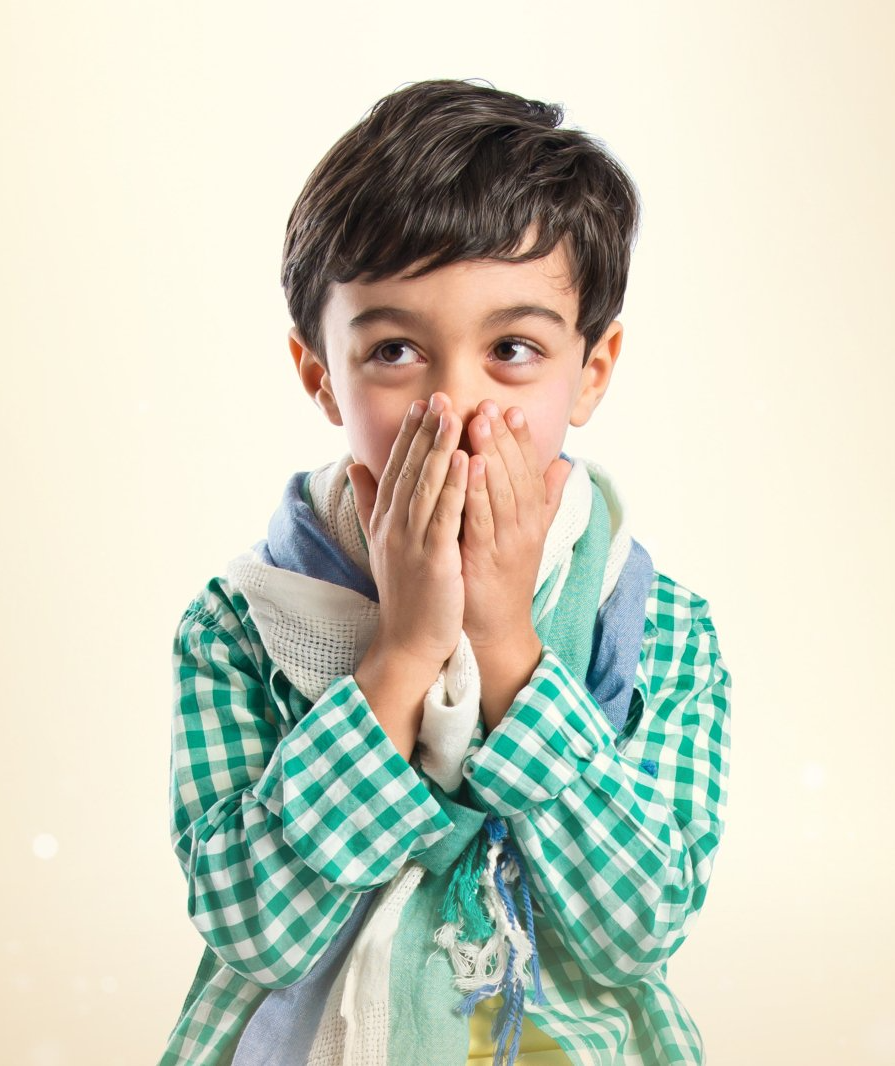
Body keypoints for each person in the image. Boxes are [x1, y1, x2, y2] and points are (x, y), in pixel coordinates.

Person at [159, 78, 732, 1066]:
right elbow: (250, 928)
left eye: (511, 349)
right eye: (393, 351)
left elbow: (636, 932)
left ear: (589, 370)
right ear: (317, 375)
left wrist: (506, 647)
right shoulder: (239, 626)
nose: (455, 404)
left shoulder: (655, 630)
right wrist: (404, 653)